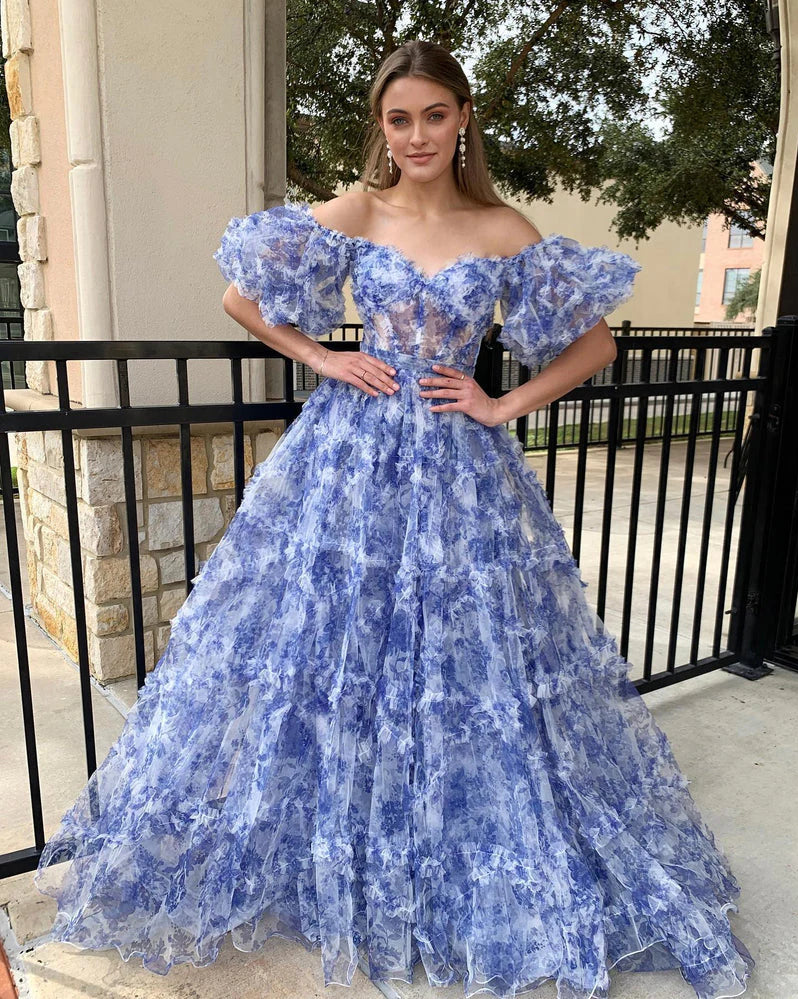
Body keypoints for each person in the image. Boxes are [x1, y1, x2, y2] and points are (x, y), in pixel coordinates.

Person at [34, 38, 754, 999]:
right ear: (382, 126)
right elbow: (241, 296)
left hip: (461, 471)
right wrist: (324, 356)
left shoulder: (502, 226)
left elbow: (594, 344)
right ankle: (344, 839)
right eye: (399, 118)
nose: (417, 135)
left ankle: (440, 848)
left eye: (435, 115)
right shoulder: (358, 211)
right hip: (349, 463)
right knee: (333, 645)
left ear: (463, 120)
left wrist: (503, 403)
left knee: (464, 658)